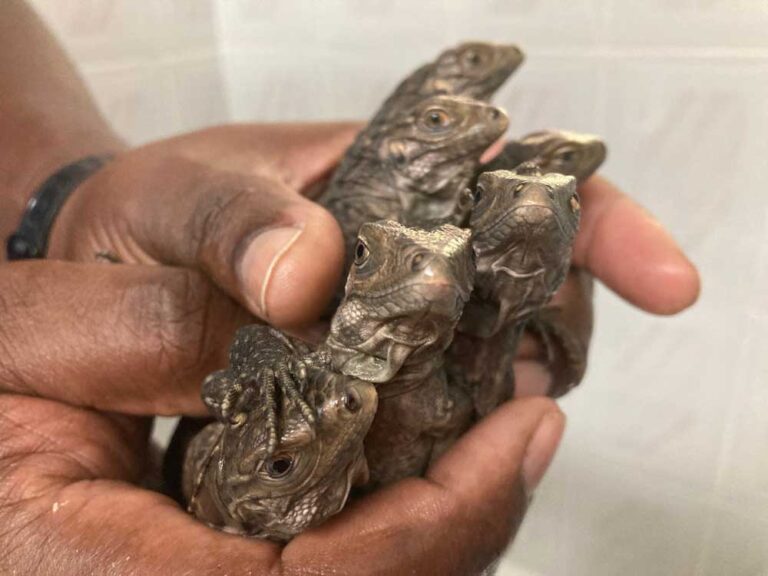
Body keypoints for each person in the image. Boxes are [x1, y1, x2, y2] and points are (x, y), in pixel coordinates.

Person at [0, 1, 700, 574]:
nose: (433, 277)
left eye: (453, 269)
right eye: (380, 262)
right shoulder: (312, 365)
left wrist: (63, 199)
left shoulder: (421, 372)